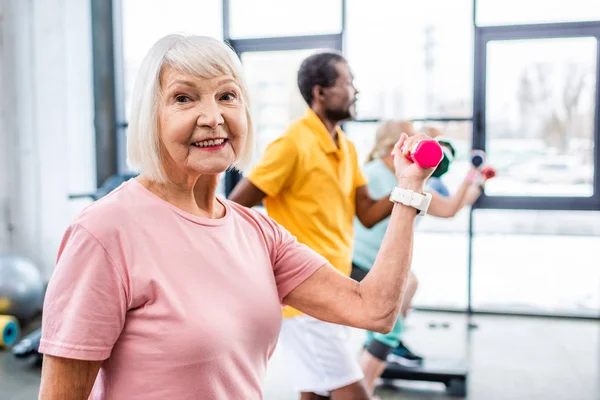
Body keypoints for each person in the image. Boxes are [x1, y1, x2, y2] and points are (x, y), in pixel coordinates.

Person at [37, 35, 436, 400]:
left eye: (227, 96)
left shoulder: (258, 233)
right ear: (149, 116)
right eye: (183, 98)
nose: (213, 117)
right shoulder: (104, 233)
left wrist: (409, 189)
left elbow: (375, 310)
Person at [229, 51, 433, 399]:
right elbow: (235, 207)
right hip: (304, 295)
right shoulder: (292, 144)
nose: (355, 91)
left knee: (317, 392)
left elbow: (367, 212)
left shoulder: (348, 149)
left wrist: (407, 183)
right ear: (321, 93)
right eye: (347, 83)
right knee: (354, 394)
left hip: (338, 288)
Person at [351, 120, 488, 395]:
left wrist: (473, 179)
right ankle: (359, 390)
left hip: (379, 264)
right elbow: (445, 206)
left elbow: (448, 207)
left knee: (409, 284)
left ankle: (374, 355)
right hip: (359, 262)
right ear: (393, 148)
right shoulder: (377, 175)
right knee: (389, 328)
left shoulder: (402, 176)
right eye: (411, 139)